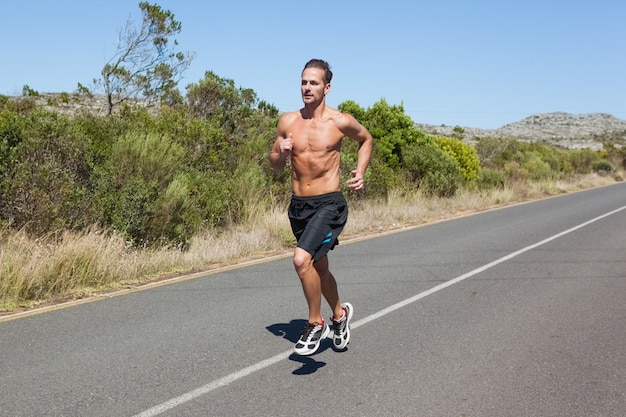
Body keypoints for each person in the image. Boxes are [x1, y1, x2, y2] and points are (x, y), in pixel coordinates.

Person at [269, 59, 373, 355]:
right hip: (298, 206)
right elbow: (275, 165)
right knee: (320, 267)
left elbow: (366, 139)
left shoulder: (340, 122)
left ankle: (315, 323)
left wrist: (361, 170)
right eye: (303, 82)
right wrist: (280, 151)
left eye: (313, 83)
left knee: (302, 261)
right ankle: (339, 316)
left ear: (326, 87)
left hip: (329, 204)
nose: (306, 87)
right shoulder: (287, 122)